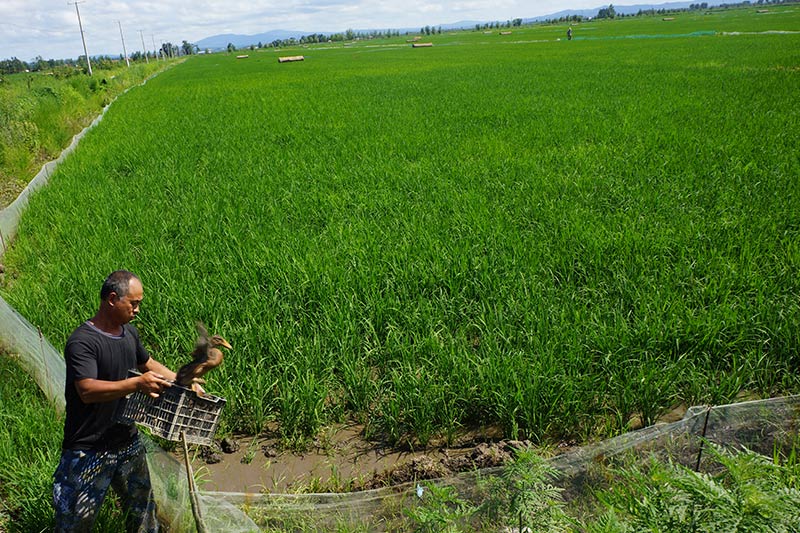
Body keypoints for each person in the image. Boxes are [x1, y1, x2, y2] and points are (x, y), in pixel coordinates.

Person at [53, 270, 176, 532]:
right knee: (74, 522)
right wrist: (137, 384)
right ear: (112, 299)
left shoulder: (129, 334)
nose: (137, 310)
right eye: (133, 303)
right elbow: (87, 390)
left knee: (143, 514)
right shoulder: (83, 342)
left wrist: (182, 381)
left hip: (126, 441)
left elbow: (147, 364)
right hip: (88, 449)